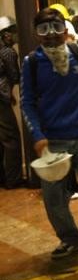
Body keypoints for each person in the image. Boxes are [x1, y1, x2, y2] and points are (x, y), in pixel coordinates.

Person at [21, 7, 78, 259]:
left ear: (65, 29)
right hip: (54, 141)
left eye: (56, 27)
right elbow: (27, 102)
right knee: (53, 198)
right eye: (43, 29)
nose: (51, 35)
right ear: (36, 33)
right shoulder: (31, 63)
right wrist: (38, 135)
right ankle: (70, 238)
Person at [0, 16, 23, 189]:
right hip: (1, 99)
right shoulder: (8, 52)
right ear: (5, 34)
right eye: (13, 31)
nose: (15, 35)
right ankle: (13, 179)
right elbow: (14, 76)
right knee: (11, 138)